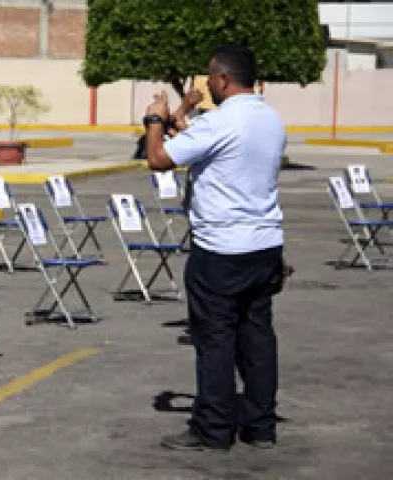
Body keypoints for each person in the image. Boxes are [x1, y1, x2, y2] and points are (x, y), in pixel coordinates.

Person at [143, 45, 288, 451]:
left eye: (210, 77)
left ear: (224, 79)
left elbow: (157, 159)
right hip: (264, 247)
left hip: (222, 249)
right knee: (257, 337)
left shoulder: (223, 121)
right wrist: (183, 124)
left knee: (216, 339)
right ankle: (260, 426)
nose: (207, 84)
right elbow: (218, 154)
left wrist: (154, 118)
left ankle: (214, 429)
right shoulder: (271, 119)